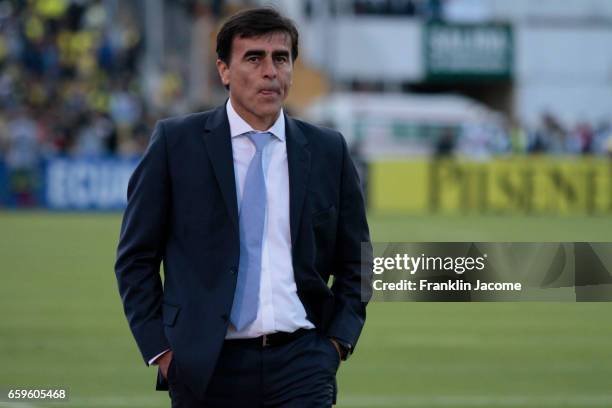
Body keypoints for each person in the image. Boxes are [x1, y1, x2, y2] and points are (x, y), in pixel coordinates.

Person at [115, 7, 372, 407]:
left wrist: (337, 344)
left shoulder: (328, 150)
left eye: (280, 58)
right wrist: (164, 354)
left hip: (303, 363)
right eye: (254, 58)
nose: (270, 70)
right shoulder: (175, 144)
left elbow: (358, 260)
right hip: (206, 366)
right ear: (224, 70)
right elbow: (135, 259)